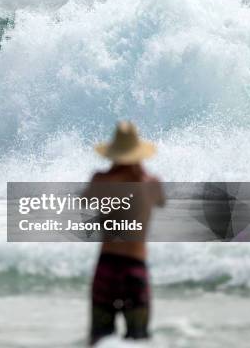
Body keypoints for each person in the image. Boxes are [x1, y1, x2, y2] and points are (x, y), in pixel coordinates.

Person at [86, 121, 165, 345]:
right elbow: (161, 201)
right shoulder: (151, 184)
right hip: (134, 268)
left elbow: (85, 199)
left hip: (106, 266)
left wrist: (113, 174)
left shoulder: (100, 181)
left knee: (99, 338)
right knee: (139, 339)